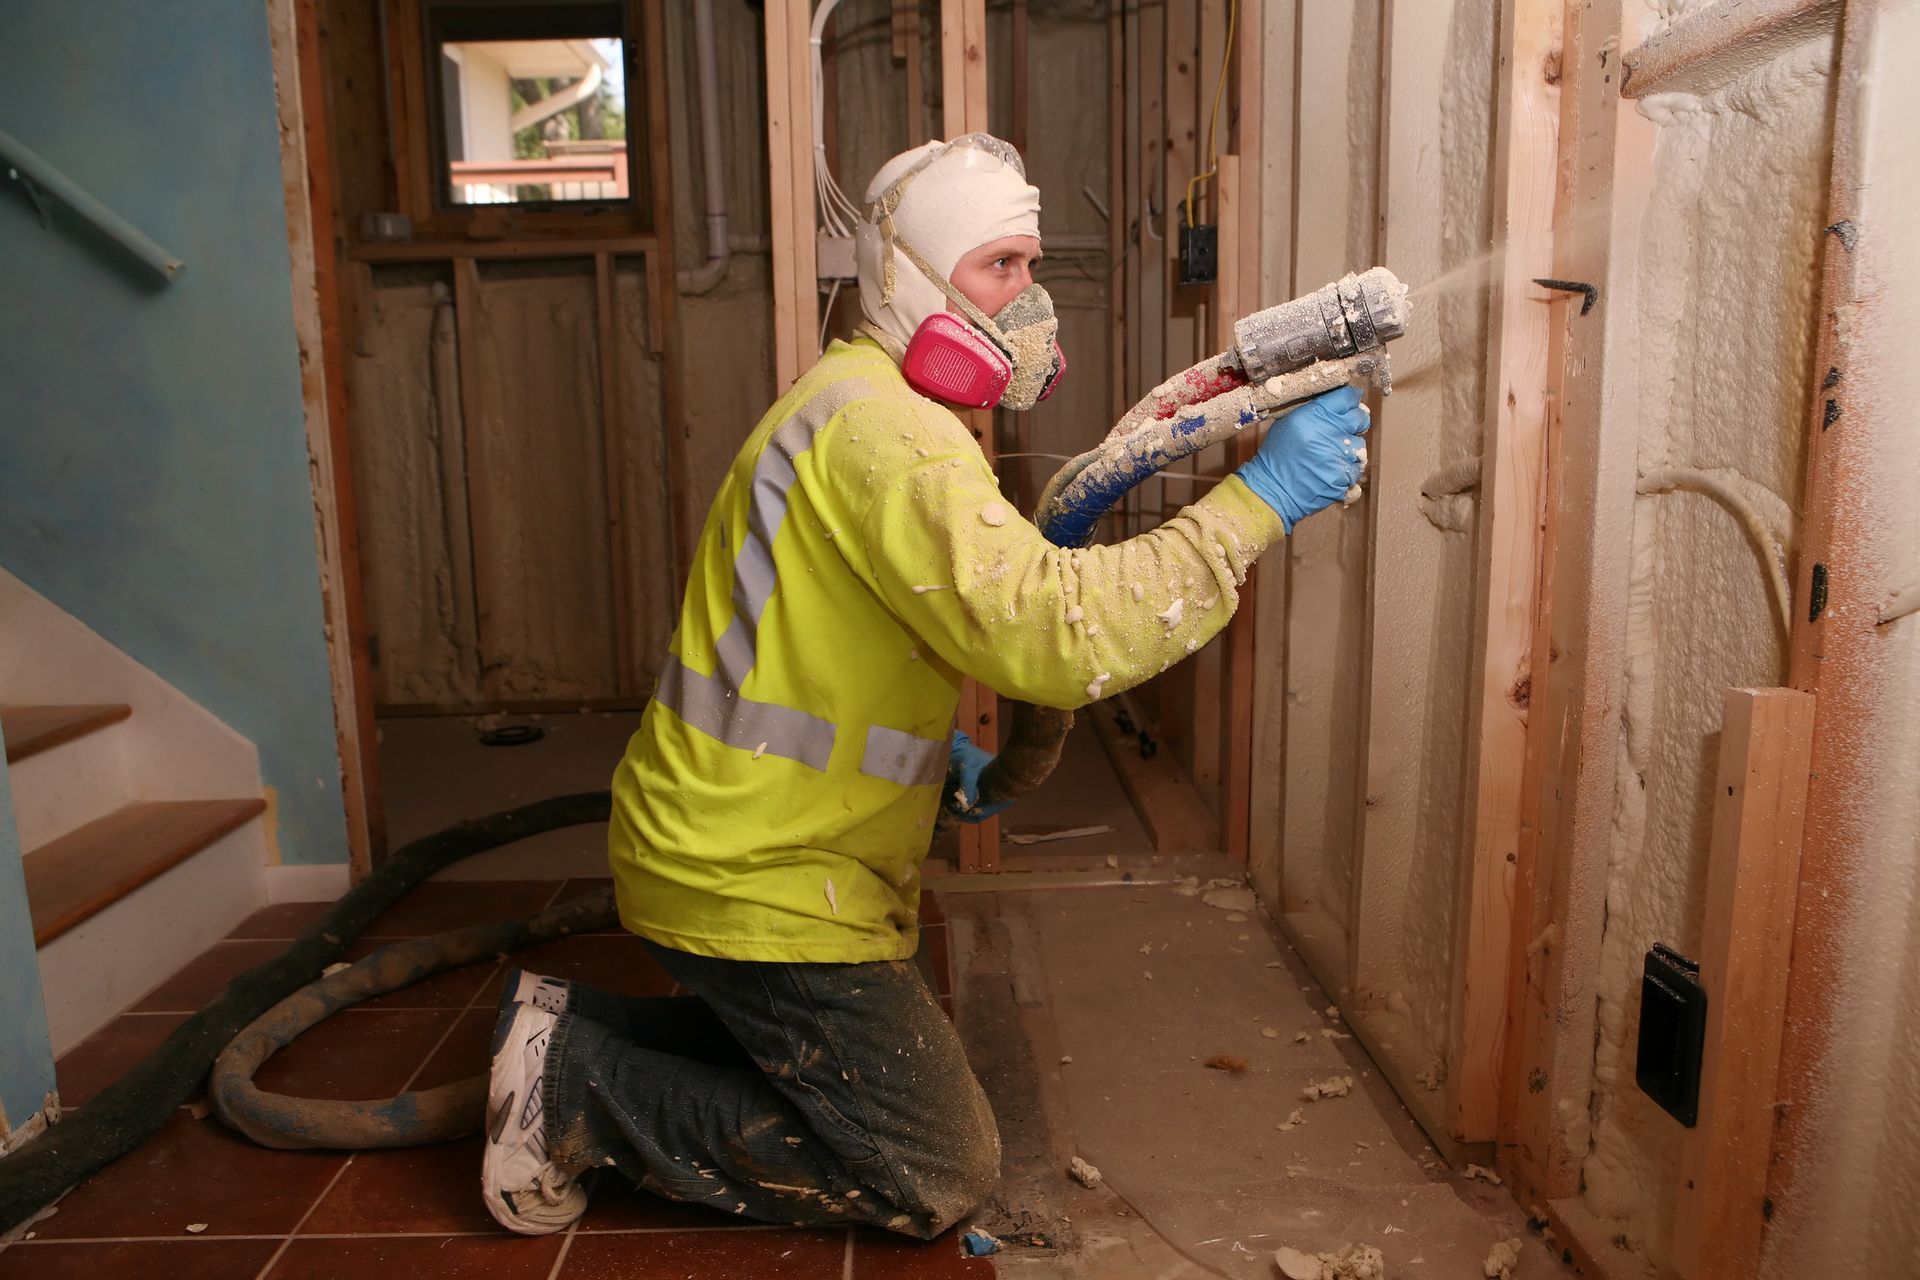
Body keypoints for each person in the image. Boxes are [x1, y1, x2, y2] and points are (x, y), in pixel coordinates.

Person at [478, 134, 1370, 1239]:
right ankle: (580, 1090)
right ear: (913, 279)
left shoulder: (861, 399)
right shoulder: (892, 437)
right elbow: (1055, 632)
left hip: (735, 832)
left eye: (1032, 266)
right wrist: (1260, 503)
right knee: (935, 1164)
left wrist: (918, 750)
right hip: (752, 874)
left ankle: (566, 1030)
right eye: (1001, 267)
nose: (1029, 299)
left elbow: (832, 629)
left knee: (840, 1068)